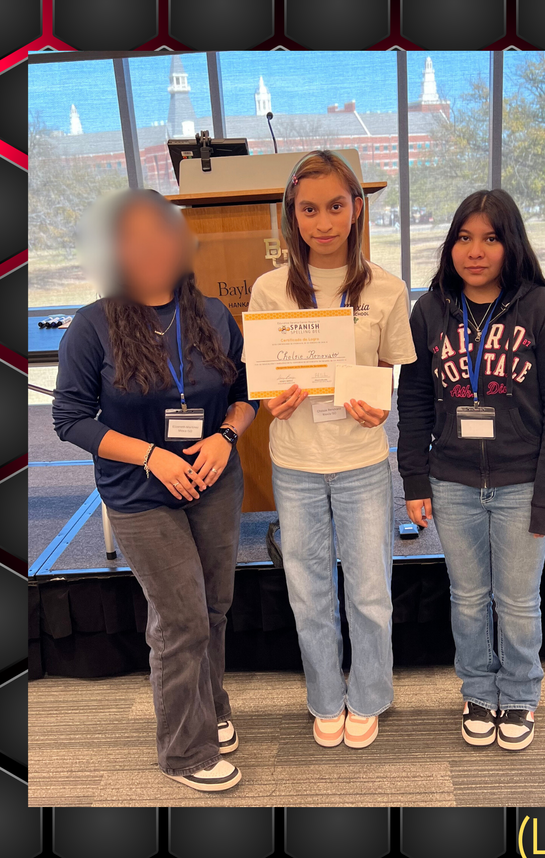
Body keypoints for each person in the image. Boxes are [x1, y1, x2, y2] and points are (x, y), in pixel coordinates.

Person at [52, 188, 257, 792]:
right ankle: (183, 751)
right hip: (140, 491)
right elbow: (70, 419)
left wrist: (225, 435)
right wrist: (150, 456)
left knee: (214, 607)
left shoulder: (214, 314)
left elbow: (246, 395)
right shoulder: (92, 326)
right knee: (182, 617)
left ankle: (211, 707)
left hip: (215, 479)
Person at [245, 150, 416, 750]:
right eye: (309, 209)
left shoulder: (388, 289)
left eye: (336, 207)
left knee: (370, 591)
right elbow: (264, 382)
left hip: (363, 462)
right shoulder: (270, 290)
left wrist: (381, 403)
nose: (323, 222)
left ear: (357, 209)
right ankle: (324, 697)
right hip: (294, 464)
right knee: (309, 590)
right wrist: (271, 403)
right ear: (292, 215)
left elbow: (393, 371)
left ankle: (369, 694)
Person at [397, 189, 545, 750]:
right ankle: (478, 690)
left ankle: (520, 695)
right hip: (451, 482)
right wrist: (415, 479)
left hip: (522, 482)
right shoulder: (429, 311)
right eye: (464, 238)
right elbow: (416, 403)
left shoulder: (542, 309)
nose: (475, 251)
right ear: (451, 244)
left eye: (491, 239)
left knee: (519, 600)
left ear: (511, 244)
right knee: (468, 597)